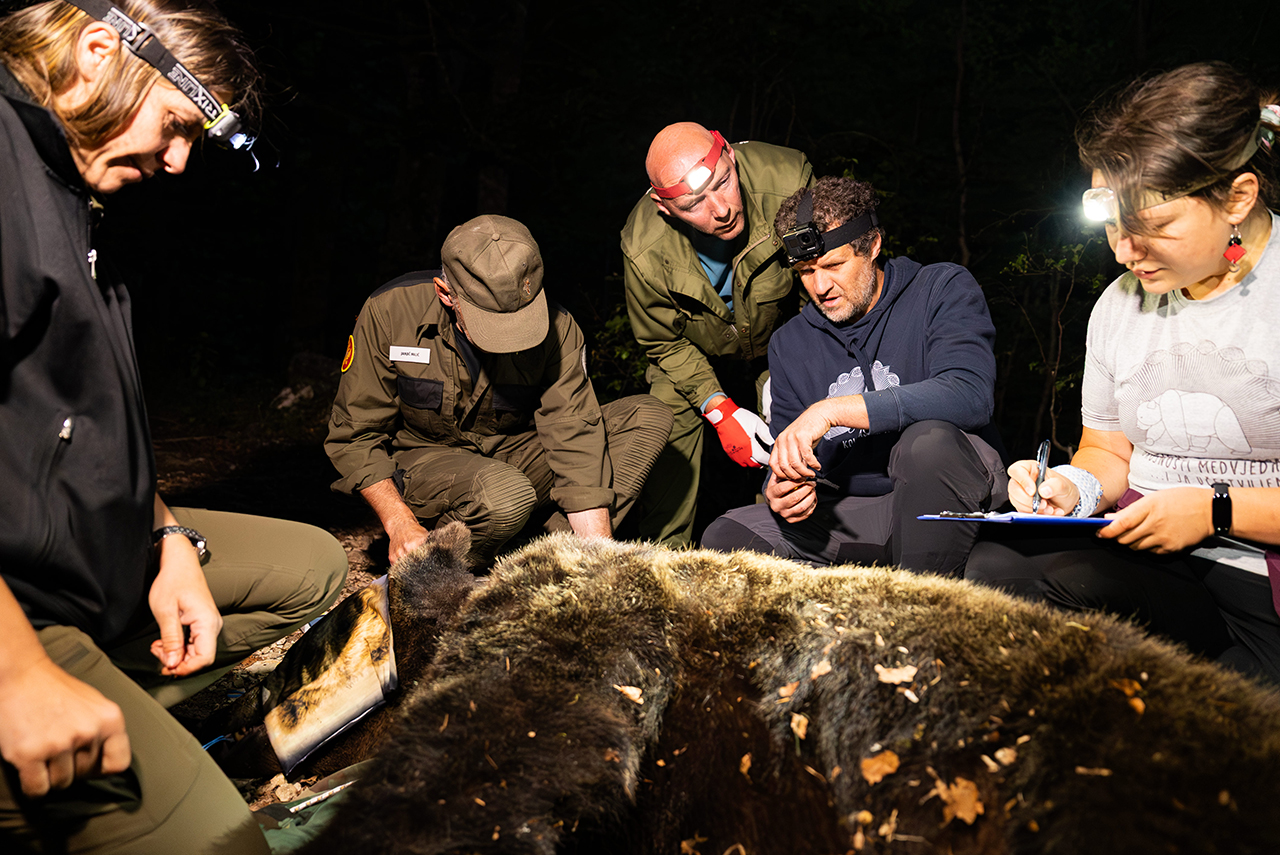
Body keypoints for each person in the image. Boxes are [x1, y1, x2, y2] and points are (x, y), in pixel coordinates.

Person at [0, 3, 348, 854]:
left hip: (95, 555)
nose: (180, 160)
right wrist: (18, 673)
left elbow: (83, 416)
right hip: (23, 608)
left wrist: (169, 538)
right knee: (228, 843)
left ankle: (109, 723)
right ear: (95, 51)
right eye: (176, 125)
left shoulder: (69, 183)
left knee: (315, 571)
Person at [965, 61, 1280, 684]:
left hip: (1260, 577)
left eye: (1154, 227)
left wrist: (1214, 512)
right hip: (1153, 558)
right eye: (1112, 226)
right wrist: (1072, 490)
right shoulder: (1119, 303)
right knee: (1002, 566)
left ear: (1237, 198)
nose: (1124, 251)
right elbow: (1108, 449)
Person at [701, 176, 1007, 576]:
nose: (820, 286)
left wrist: (832, 411)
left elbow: (969, 395)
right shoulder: (789, 343)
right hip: (856, 513)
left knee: (926, 444)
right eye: (806, 271)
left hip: (950, 492)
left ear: (874, 246)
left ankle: (919, 619)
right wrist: (781, 489)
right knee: (725, 538)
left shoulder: (940, 288)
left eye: (833, 265)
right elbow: (788, 454)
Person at [326, 214, 673, 567]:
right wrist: (399, 522)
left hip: (514, 455)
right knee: (505, 495)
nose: (510, 339)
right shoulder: (389, 312)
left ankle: (549, 561)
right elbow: (355, 436)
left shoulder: (560, 328)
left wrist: (599, 557)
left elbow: (575, 433)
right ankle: (437, 564)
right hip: (427, 464)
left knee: (648, 416)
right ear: (446, 293)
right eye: (491, 323)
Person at [621, 121, 814, 546]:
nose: (721, 209)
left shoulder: (788, 181)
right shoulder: (643, 249)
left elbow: (816, 288)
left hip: (779, 337)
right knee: (665, 427)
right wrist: (719, 408)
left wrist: (790, 369)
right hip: (694, 351)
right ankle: (662, 560)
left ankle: (785, 546)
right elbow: (661, 341)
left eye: (724, 183)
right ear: (664, 207)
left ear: (728, 153)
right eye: (694, 204)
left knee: (797, 426)